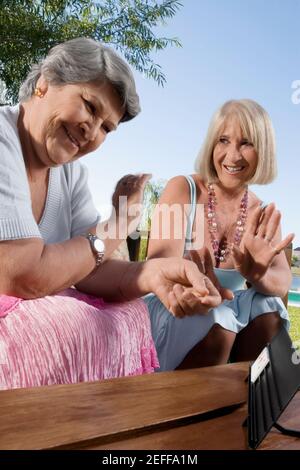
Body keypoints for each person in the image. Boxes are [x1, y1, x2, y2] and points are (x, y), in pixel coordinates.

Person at [0, 37, 221, 389]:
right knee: (63, 321)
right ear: (45, 82)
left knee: (131, 312)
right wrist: (119, 223)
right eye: (89, 105)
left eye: (106, 127)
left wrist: (154, 275)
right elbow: (26, 277)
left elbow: (91, 269)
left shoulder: (70, 173)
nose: (92, 130)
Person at [145, 99, 294, 371]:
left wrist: (258, 275)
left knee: (268, 307)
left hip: (223, 313)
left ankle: (244, 403)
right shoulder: (183, 188)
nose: (233, 156)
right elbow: (159, 268)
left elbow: (283, 282)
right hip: (175, 306)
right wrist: (194, 280)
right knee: (218, 318)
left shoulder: (261, 212)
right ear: (212, 145)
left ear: (264, 151)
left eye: (246, 143)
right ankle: (184, 408)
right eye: (224, 140)